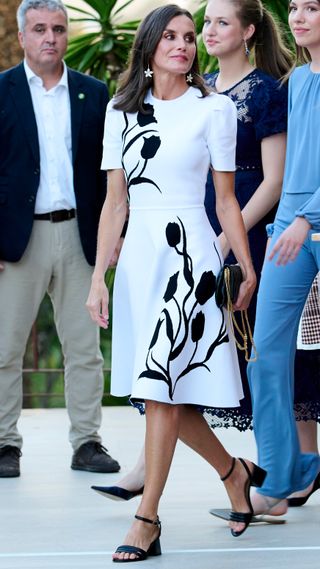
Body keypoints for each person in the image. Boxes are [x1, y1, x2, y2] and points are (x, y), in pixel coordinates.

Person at [90, 0, 291, 500]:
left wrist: (246, 269)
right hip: (140, 261)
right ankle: (233, 471)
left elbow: (226, 201)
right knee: (160, 391)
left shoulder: (214, 108)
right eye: (171, 37)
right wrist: (99, 278)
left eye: (187, 37)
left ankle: (147, 517)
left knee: (162, 388)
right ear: (150, 46)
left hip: (191, 260)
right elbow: (115, 205)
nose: (182, 45)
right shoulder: (120, 112)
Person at [0, 0, 120, 477]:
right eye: (39, 29)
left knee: (84, 348)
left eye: (58, 28)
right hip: (16, 242)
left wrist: (114, 237)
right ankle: (5, 444)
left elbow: (111, 173)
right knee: (5, 348)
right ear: (23, 35)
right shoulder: (2, 90)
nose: (49, 37)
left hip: (79, 235)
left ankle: (87, 442)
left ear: (67, 34)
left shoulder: (95, 92)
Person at [246, 0, 320, 517]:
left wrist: (307, 218)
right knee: (266, 353)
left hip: (305, 224)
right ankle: (281, 476)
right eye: (293, 7)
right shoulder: (296, 82)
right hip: (290, 232)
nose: (297, 16)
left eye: (312, 7)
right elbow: (295, 162)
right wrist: (286, 223)